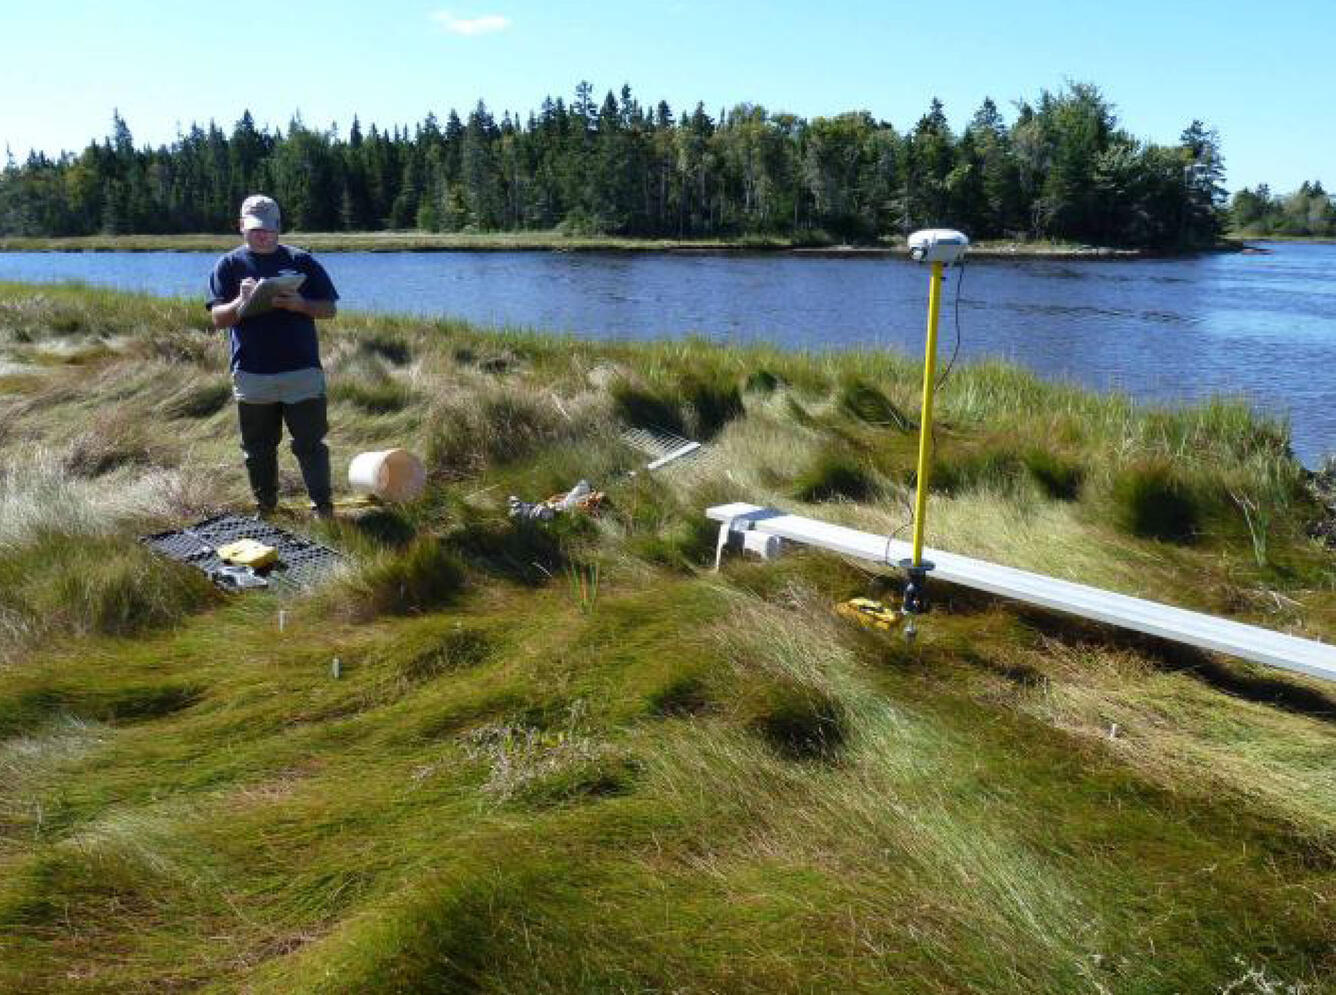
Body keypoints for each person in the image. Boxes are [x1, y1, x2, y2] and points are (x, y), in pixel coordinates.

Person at [207, 194, 340, 519]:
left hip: (302, 373)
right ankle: (266, 509)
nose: (263, 235)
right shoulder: (228, 265)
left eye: (268, 229)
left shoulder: (302, 260)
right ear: (241, 226)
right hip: (252, 375)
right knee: (258, 448)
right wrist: (241, 302)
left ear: (279, 227)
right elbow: (218, 319)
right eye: (255, 229)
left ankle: (323, 509)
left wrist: (300, 305)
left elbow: (329, 308)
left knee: (311, 444)